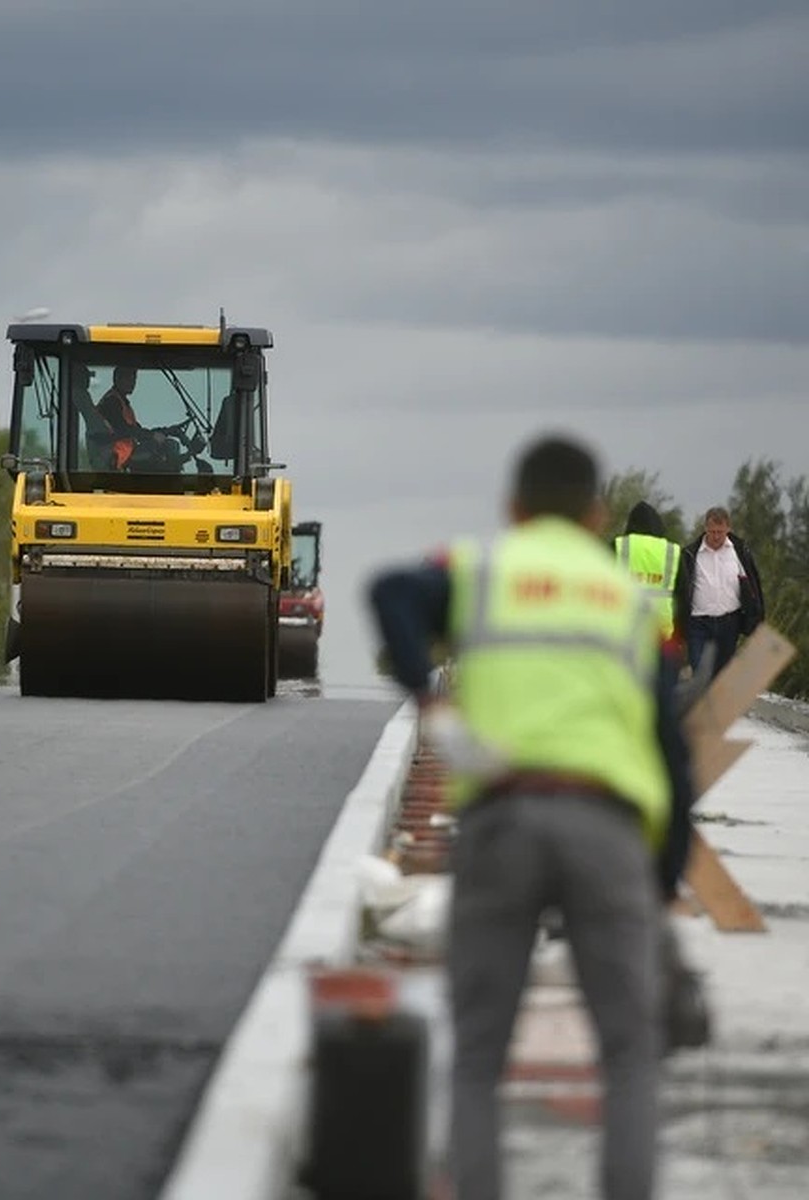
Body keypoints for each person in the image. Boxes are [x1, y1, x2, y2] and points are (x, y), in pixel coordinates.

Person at [369, 434, 693, 1200]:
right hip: (609, 830)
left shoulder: (482, 571)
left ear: (513, 506)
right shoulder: (629, 602)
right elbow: (670, 750)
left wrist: (431, 700)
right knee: (629, 1055)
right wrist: (664, 878)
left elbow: (389, 593)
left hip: (502, 822)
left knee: (479, 1053)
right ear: (596, 514)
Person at [674, 506, 765, 678]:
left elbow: (753, 585)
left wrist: (756, 617)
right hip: (698, 624)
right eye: (712, 532)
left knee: (721, 676)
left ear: (728, 529)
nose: (716, 537)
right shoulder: (690, 554)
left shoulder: (740, 552)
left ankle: (714, 703)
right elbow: (681, 589)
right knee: (700, 675)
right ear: (705, 529)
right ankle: (702, 701)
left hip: (729, 623)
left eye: (720, 532)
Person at [613, 500, 688, 643]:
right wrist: (681, 635)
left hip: (625, 630)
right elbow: (683, 597)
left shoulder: (618, 545)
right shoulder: (672, 552)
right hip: (661, 633)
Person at [95, 366, 182, 472]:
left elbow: (137, 429)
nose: (133, 383)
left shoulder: (121, 401)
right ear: (117, 379)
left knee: (166, 445)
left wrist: (166, 430)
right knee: (167, 448)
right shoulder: (111, 402)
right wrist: (152, 436)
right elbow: (124, 429)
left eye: (134, 379)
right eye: (129, 378)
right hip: (117, 454)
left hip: (126, 451)